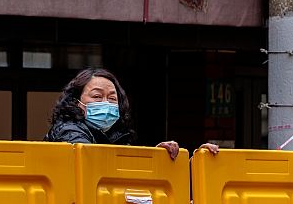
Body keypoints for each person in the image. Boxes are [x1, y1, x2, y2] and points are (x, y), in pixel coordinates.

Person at [43, 68, 219, 159]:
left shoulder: (116, 135)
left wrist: (164, 158)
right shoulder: (68, 131)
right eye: (97, 96)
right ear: (76, 102)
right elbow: (96, 164)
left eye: (112, 98)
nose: (106, 103)